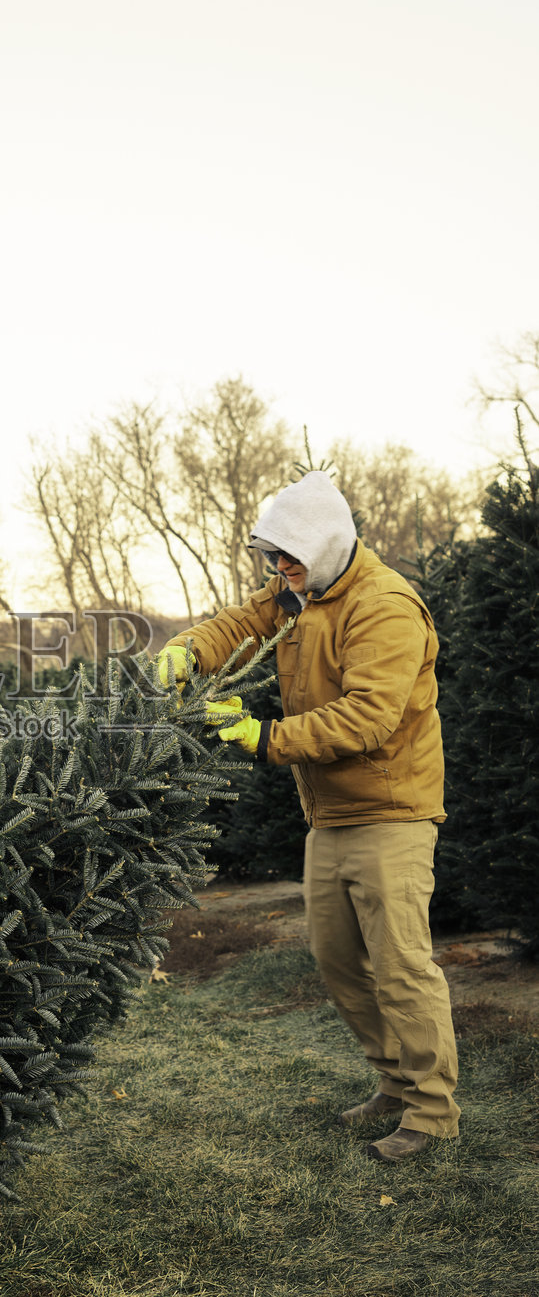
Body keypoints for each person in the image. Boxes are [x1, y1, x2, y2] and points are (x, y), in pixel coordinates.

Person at [158, 469, 458, 1163]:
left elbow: (369, 715)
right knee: (336, 958)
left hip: (390, 809)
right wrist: (188, 650)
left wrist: (266, 738)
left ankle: (433, 1113)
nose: (280, 572)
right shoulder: (300, 591)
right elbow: (242, 622)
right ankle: (393, 1084)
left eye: (289, 558)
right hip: (328, 816)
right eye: (273, 560)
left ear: (326, 545)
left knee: (400, 966)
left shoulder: (382, 606)